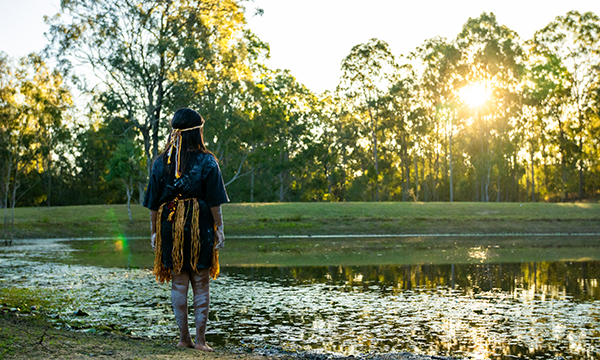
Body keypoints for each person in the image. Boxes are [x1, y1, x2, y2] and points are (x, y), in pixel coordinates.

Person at [143, 108, 229, 352]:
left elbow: (153, 203)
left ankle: (184, 339)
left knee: (178, 283)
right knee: (201, 282)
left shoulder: (161, 162)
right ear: (197, 132)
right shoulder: (207, 160)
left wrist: (154, 231)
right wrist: (220, 228)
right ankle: (200, 341)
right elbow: (214, 201)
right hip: (199, 225)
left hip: (169, 225)